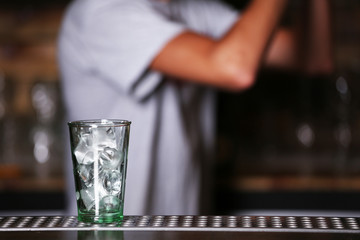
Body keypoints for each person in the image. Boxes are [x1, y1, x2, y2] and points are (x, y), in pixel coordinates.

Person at [58, 0, 333, 215]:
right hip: (113, 233)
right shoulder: (99, 11)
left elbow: (313, 56)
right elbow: (236, 68)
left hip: (184, 228)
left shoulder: (197, 10)